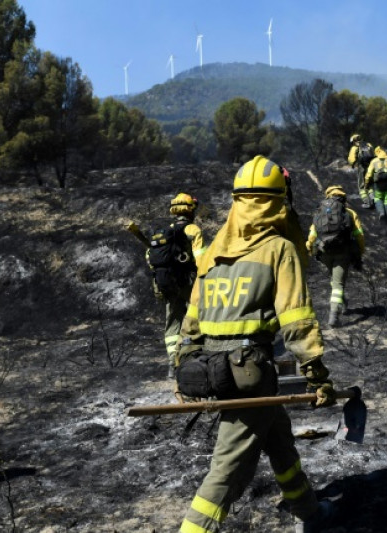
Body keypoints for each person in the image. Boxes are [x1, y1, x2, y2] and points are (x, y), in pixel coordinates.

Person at [175, 155, 337, 533]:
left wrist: (183, 365)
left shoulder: (214, 252)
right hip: (250, 372)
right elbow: (296, 319)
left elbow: (191, 319)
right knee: (228, 471)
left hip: (210, 370)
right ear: (277, 201)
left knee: (278, 439)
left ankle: (309, 514)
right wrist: (317, 375)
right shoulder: (278, 249)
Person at [150, 193, 207, 378]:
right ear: (190, 210)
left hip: (167, 284)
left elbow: (150, 259)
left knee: (172, 324)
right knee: (196, 318)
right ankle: (193, 358)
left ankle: (172, 364)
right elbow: (201, 260)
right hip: (188, 283)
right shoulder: (193, 230)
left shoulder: (164, 233)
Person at [306, 185, 365, 328]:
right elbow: (359, 235)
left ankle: (342, 303)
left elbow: (312, 235)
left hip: (324, 252)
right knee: (338, 284)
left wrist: (310, 249)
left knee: (334, 277)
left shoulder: (320, 212)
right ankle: (334, 315)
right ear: (343, 197)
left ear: (328, 196)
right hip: (342, 252)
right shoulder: (349, 212)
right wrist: (359, 253)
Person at [347, 134, 375, 209]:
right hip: (371, 167)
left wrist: (353, 164)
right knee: (369, 184)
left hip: (362, 167)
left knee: (362, 186)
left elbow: (351, 160)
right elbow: (374, 154)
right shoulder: (369, 145)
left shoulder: (355, 147)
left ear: (353, 141)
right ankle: (373, 199)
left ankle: (366, 202)